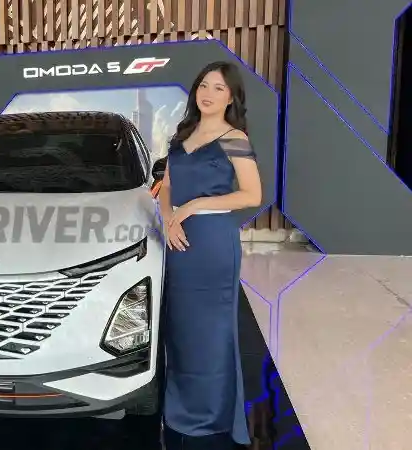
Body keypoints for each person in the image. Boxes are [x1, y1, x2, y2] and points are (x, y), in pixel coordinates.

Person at [157, 61, 262, 449]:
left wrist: (196, 204)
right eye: (204, 85)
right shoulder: (180, 136)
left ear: (231, 97)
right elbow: (166, 188)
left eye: (219, 88)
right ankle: (182, 407)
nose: (208, 93)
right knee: (181, 328)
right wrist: (168, 219)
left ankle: (213, 413)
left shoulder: (235, 138)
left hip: (214, 243)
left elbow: (252, 195)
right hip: (178, 242)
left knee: (213, 333)